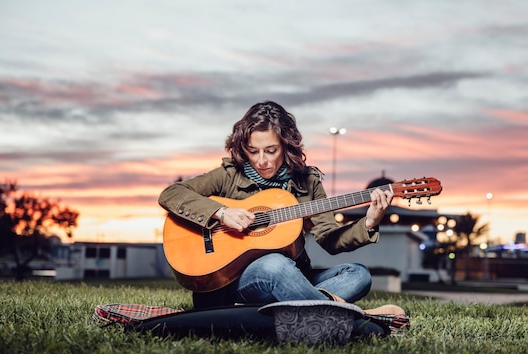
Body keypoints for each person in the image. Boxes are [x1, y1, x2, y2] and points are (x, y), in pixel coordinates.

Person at [158, 100, 394, 309]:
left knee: (357, 275)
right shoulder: (229, 175)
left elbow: (329, 239)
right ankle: (339, 312)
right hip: (233, 282)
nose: (262, 161)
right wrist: (221, 212)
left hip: (291, 277)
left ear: (286, 146)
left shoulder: (307, 181)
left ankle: (292, 306)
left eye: (271, 151)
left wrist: (369, 222)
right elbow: (172, 193)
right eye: (253, 151)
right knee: (274, 264)